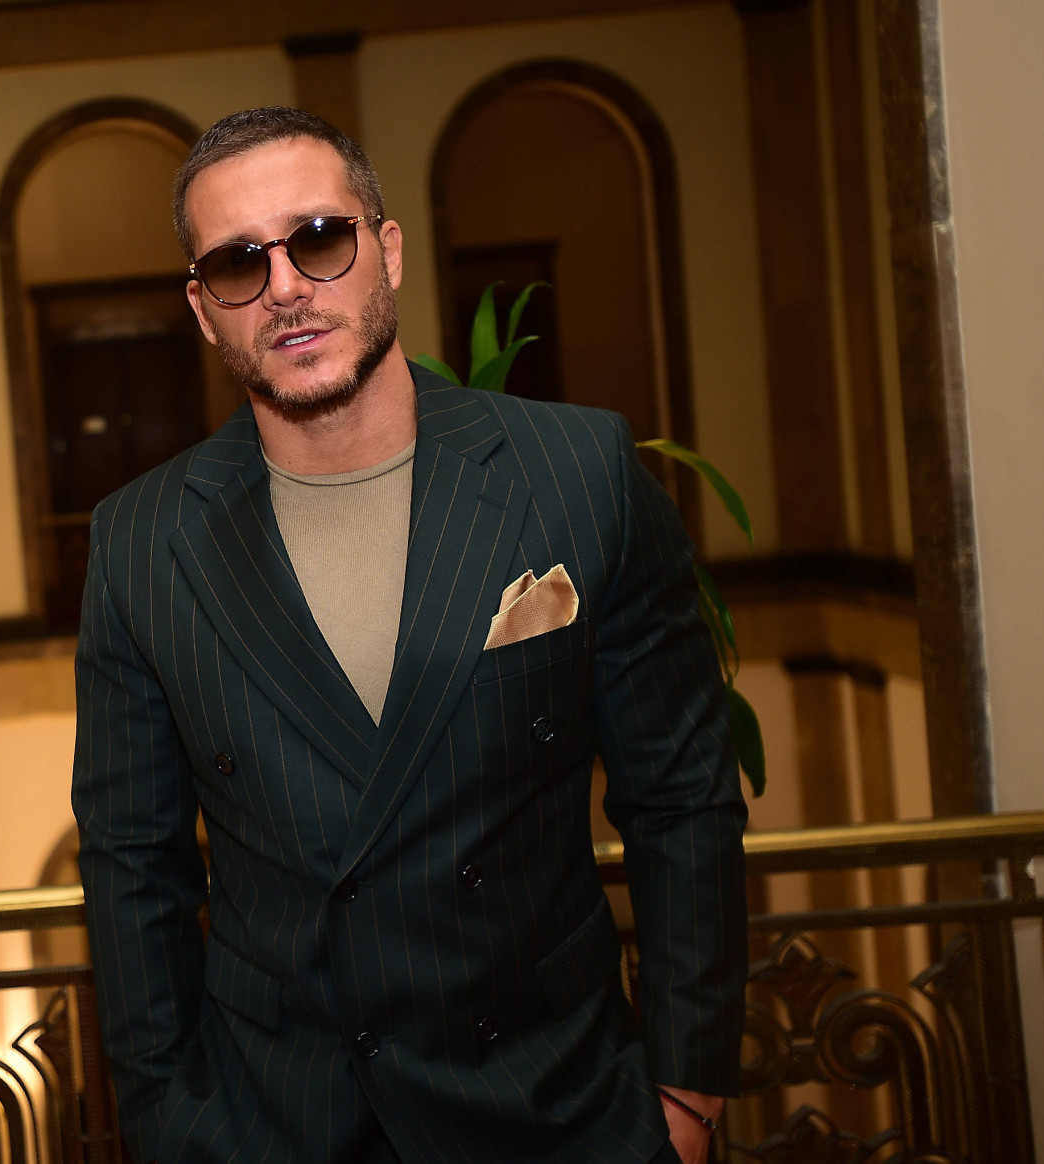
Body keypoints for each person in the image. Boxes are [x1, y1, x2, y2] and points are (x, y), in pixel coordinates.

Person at [70, 107, 747, 1164]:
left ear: (386, 251)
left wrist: (688, 1092)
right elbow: (133, 869)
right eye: (240, 263)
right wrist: (166, 1122)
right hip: (279, 1125)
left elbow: (681, 795)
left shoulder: (578, 474)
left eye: (320, 239)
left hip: (556, 1107)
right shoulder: (141, 543)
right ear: (204, 310)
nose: (286, 287)